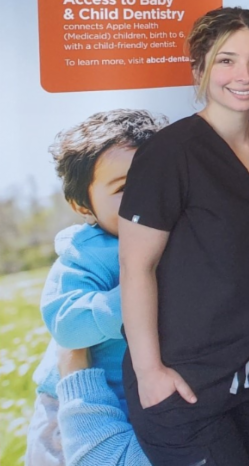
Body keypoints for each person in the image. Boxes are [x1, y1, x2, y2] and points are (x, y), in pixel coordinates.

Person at [118, 8, 249, 465]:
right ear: (199, 69)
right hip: (185, 381)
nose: (244, 75)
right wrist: (149, 372)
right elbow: (136, 268)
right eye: (226, 60)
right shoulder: (169, 153)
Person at [26, 110, 166, 466]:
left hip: (140, 398)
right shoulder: (86, 252)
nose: (143, 197)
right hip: (69, 403)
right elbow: (66, 326)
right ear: (82, 206)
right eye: (122, 188)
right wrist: (135, 298)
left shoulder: (176, 235)